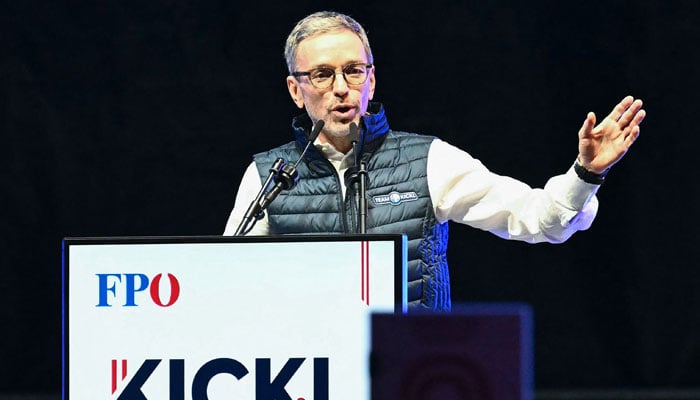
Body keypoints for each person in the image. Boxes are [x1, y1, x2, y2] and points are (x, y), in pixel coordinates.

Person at [223, 11, 646, 311]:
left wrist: (586, 172)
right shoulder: (269, 175)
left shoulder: (427, 160)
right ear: (296, 90)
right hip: (312, 376)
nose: (340, 88)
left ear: (371, 79)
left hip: (413, 374)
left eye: (353, 70)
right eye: (321, 74)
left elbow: (541, 220)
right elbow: (228, 284)